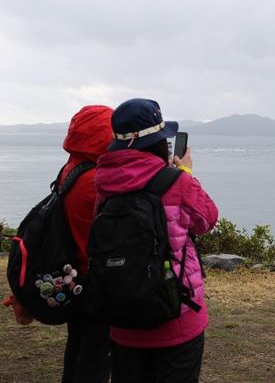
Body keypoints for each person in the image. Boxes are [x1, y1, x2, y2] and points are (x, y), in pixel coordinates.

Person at [94, 98, 218, 383]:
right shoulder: (177, 182)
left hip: (122, 309)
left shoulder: (104, 183)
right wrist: (184, 172)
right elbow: (207, 219)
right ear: (160, 142)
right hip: (176, 312)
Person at [60, 104, 114, 383]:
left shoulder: (72, 168)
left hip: (76, 273)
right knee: (95, 358)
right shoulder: (96, 179)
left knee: (79, 348)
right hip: (93, 277)